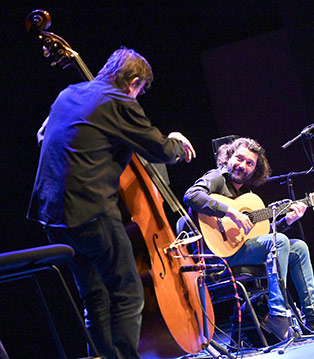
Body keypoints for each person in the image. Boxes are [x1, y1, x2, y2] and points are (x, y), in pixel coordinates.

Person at [27, 47, 196, 359]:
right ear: (132, 83)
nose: (137, 97)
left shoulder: (69, 93)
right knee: (128, 293)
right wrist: (175, 141)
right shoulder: (117, 102)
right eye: (140, 91)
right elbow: (159, 150)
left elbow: (42, 136)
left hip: (51, 214)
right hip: (91, 212)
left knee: (94, 297)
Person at [183, 137, 314, 340]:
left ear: (255, 169)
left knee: (299, 248)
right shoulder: (216, 178)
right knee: (279, 242)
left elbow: (263, 234)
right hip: (216, 256)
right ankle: (277, 314)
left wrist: (287, 219)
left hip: (240, 251)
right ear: (229, 156)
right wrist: (231, 213)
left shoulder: (248, 196)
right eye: (239, 158)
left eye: (250, 163)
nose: (243, 165)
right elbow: (191, 196)